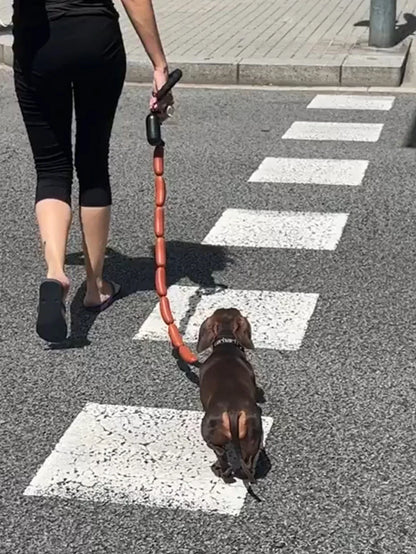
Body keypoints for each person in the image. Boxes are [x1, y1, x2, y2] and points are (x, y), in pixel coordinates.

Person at [12, 0, 173, 343]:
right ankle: (95, 286)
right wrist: (159, 65)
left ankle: (56, 272)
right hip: (95, 37)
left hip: (37, 41)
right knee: (93, 162)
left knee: (51, 168)